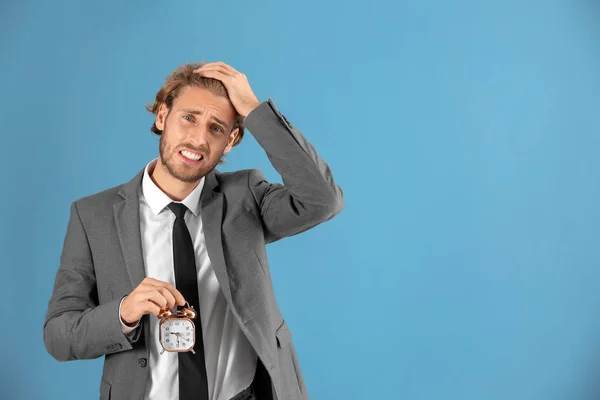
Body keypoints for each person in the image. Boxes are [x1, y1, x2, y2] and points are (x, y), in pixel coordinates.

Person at [43, 61, 344, 400]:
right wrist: (123, 312)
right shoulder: (93, 216)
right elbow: (59, 336)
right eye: (188, 118)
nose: (198, 139)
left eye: (216, 128)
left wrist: (255, 111)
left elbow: (321, 200)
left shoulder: (245, 196)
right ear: (162, 117)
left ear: (230, 141)